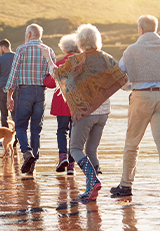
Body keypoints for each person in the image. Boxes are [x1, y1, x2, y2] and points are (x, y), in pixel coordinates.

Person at [42, 24, 128, 200]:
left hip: (85, 112)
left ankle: (92, 181)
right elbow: (123, 80)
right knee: (91, 149)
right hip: (104, 112)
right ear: (97, 40)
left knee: (74, 149)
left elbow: (57, 73)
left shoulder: (78, 60)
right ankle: (92, 189)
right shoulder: (107, 58)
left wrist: (48, 59)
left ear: (80, 42)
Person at [110, 15, 160, 201]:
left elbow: (119, 78)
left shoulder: (131, 50)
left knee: (132, 143)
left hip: (141, 98)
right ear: (155, 28)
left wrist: (131, 87)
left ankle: (126, 185)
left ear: (140, 30)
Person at [4, 24, 55, 174]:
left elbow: (13, 75)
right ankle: (32, 166)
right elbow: (52, 74)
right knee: (36, 129)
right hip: (40, 92)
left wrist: (9, 96)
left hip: (24, 90)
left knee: (20, 126)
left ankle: (27, 152)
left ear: (29, 34)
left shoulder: (21, 49)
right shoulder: (49, 51)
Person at [43, 34, 80, 174]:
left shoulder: (59, 63)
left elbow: (50, 83)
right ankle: (71, 164)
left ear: (64, 49)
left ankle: (62, 156)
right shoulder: (82, 62)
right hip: (78, 103)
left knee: (61, 131)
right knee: (74, 133)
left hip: (62, 102)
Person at [0, 39, 19, 155]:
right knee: (15, 114)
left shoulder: (0, 59)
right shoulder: (17, 56)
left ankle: (5, 138)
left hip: (3, 88)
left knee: (4, 114)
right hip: (17, 89)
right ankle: (16, 138)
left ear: (3, 47)